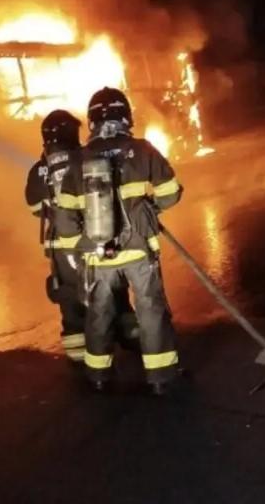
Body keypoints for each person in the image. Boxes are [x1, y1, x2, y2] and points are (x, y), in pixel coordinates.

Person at [59, 87, 183, 394]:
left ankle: (99, 376)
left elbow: (64, 220)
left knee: (99, 312)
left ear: (92, 122)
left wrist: (87, 246)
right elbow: (170, 192)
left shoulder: (78, 161)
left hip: (99, 257)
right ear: (125, 116)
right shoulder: (142, 150)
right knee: (150, 310)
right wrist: (149, 211)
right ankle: (160, 378)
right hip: (139, 250)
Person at [25, 110, 139, 364]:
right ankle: (132, 337)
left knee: (70, 303)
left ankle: (79, 359)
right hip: (94, 239)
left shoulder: (39, 170)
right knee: (113, 291)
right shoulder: (85, 158)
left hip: (60, 250)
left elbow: (35, 209)